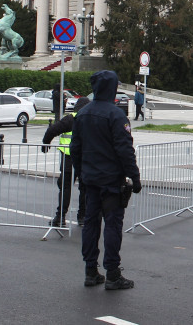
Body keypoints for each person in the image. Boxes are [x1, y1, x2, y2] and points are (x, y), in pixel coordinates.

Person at [70, 70, 141, 290]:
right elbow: (124, 150)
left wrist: (81, 172)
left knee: (91, 225)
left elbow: (75, 149)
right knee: (112, 226)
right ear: (112, 88)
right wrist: (135, 177)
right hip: (111, 182)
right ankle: (112, 273)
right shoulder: (115, 115)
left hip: (90, 181)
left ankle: (90, 271)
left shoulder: (83, 113)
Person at [42, 97, 91, 228]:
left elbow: (52, 130)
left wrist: (46, 142)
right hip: (85, 159)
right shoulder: (90, 119)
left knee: (65, 188)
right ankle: (82, 217)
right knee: (84, 188)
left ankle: (60, 217)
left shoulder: (70, 119)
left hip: (69, 158)